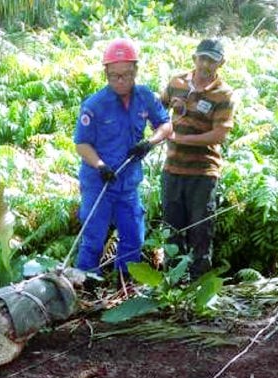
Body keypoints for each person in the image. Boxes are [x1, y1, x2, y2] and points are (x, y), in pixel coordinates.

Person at [73, 38, 172, 283]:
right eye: (114, 76)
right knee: (93, 238)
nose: (120, 81)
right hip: (99, 182)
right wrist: (100, 165)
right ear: (106, 74)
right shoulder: (95, 104)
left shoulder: (145, 96)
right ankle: (85, 286)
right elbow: (82, 144)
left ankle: (125, 285)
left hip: (128, 181)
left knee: (134, 237)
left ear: (135, 71)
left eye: (126, 75)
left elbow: (166, 125)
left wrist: (149, 142)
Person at [160, 38, 235, 279]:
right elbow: (157, 109)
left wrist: (182, 140)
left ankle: (198, 287)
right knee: (171, 231)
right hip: (172, 169)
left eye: (211, 60)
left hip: (203, 173)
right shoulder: (177, 82)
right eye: (202, 58)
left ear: (220, 63)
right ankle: (172, 285)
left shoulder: (223, 94)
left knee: (200, 231)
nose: (205, 65)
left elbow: (220, 134)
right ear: (194, 58)